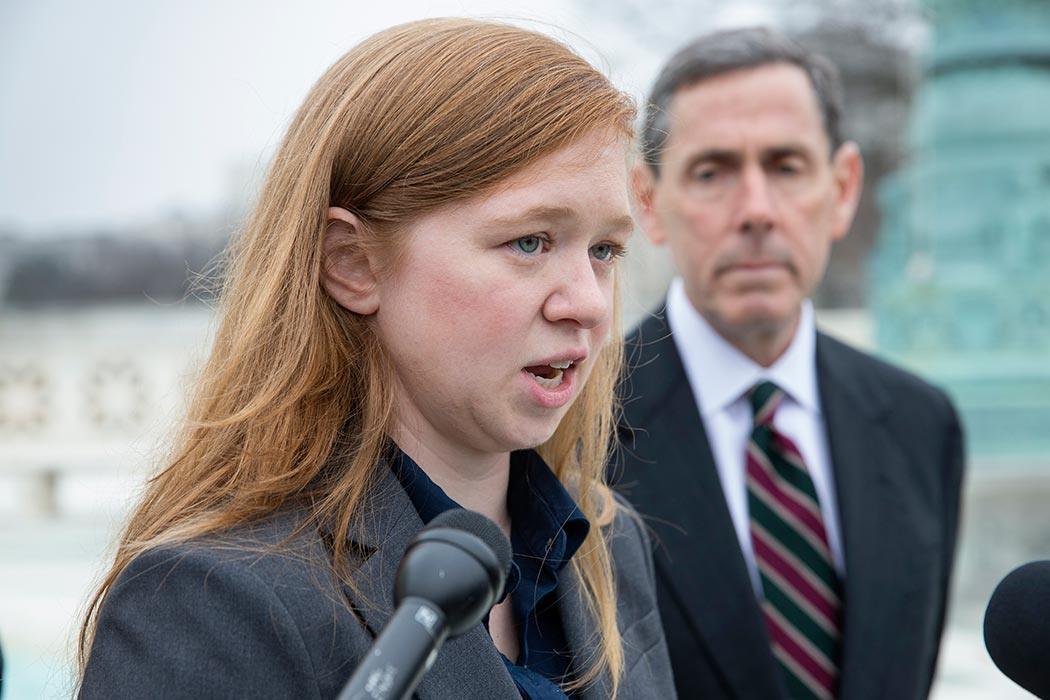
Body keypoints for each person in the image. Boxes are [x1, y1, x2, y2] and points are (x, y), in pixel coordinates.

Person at [77, 18, 675, 699]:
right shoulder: (207, 602)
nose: (590, 305)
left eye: (604, 250)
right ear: (353, 264)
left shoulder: (606, 545)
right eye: (531, 242)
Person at [615, 27, 964, 700]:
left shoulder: (924, 425)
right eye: (712, 171)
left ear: (842, 188)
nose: (756, 211)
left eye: (785, 166)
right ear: (650, 202)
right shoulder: (577, 434)